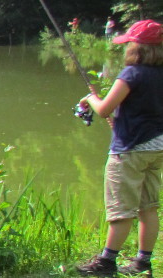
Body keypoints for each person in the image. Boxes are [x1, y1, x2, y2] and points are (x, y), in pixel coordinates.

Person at [75, 19, 163, 276]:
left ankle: (106, 263)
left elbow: (103, 110)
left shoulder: (131, 74)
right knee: (149, 206)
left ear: (137, 48)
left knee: (121, 210)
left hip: (130, 150)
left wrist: (91, 97)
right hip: (157, 147)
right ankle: (143, 262)